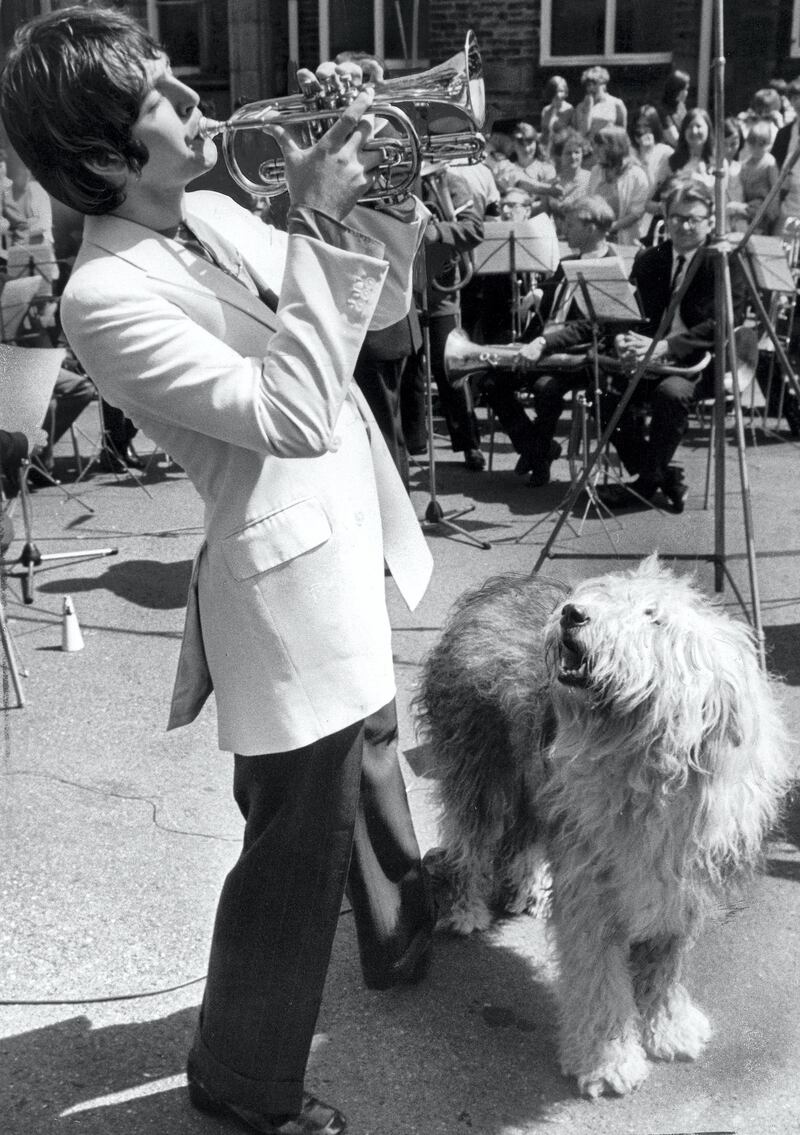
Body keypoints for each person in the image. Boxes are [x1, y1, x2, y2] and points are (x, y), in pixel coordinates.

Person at [1, 10, 437, 1135]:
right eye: (159, 96)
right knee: (295, 843)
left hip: (347, 532)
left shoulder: (207, 208)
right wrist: (317, 213)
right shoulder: (103, 298)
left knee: (374, 747)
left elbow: (372, 316)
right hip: (279, 577)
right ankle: (242, 1082)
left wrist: (379, 182)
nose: (195, 100)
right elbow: (290, 411)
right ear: (101, 157)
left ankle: (401, 940)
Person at [523, 177, 747, 511]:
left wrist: (664, 347)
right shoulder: (649, 258)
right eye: (676, 218)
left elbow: (723, 324)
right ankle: (661, 475)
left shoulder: (726, 262)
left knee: (669, 394)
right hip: (647, 359)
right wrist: (623, 338)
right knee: (604, 389)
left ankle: (645, 482)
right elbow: (624, 312)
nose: (684, 225)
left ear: (711, 222)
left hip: (698, 364)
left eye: (694, 219)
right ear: (665, 219)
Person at [481, 195, 619, 487]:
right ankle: (539, 449)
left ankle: (538, 455)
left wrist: (542, 343)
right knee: (491, 382)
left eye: (569, 224)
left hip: (576, 355)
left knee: (546, 388)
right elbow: (548, 311)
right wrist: (521, 343)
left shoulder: (611, 267)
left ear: (591, 226)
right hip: (542, 348)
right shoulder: (567, 263)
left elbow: (589, 327)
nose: (563, 231)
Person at [587, 125, 650, 245]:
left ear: (616, 146)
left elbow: (636, 213)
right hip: (598, 240)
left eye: (600, 145)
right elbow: (590, 203)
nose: (595, 149)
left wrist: (609, 228)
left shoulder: (637, 175)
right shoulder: (596, 171)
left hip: (626, 242)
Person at [631, 105, 674, 243]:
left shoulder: (665, 152)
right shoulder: (630, 152)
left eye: (647, 126)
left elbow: (651, 188)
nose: (642, 130)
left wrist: (647, 154)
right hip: (631, 215)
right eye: (639, 125)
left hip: (651, 220)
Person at [547, 129, 591, 237]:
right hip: (560, 238)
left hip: (585, 237)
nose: (573, 157)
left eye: (577, 152)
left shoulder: (591, 179)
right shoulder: (551, 184)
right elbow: (544, 215)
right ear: (559, 155)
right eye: (568, 153)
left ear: (583, 153)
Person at [739, 120, 780, 233]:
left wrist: (772, 213)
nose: (756, 148)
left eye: (761, 144)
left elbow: (775, 189)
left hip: (764, 211)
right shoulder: (745, 164)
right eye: (753, 144)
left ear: (768, 144)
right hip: (748, 209)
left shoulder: (769, 163)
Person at [571, 66, 627, 141]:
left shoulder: (616, 103)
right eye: (588, 85)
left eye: (594, 84)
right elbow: (581, 133)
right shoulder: (580, 107)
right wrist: (588, 109)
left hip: (609, 148)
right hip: (589, 149)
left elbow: (622, 132)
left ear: (603, 84)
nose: (591, 88)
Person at [539, 75, 573, 157]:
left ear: (566, 92)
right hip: (545, 152)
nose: (558, 95)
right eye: (555, 91)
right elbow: (543, 133)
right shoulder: (545, 110)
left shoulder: (570, 110)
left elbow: (572, 134)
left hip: (560, 153)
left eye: (561, 91)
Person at [658, 69, 691, 148]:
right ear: (675, 90)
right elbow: (675, 140)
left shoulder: (681, 106)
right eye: (684, 90)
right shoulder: (663, 112)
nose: (686, 93)